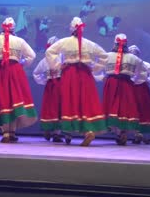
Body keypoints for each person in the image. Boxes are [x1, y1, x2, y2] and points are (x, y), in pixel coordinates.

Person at [45, 17, 108, 146]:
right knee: (86, 102)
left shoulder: (64, 42)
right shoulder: (90, 44)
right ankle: (88, 130)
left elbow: (49, 51)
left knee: (71, 101)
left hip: (69, 74)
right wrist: (94, 68)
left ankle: (75, 131)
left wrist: (57, 65)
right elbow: (104, 56)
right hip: (85, 74)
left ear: (71, 28)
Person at [0, 17, 37, 143]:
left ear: (2, 27)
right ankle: (12, 132)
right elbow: (32, 55)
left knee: (3, 99)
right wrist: (22, 64)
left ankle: (5, 133)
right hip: (15, 70)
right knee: (14, 100)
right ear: (14, 28)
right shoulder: (19, 41)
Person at [101, 34, 144, 146]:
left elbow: (98, 69)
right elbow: (139, 69)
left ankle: (119, 133)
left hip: (113, 83)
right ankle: (121, 132)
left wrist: (102, 77)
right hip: (125, 83)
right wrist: (134, 79)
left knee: (115, 107)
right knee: (124, 108)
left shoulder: (106, 55)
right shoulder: (134, 58)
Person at [33, 36, 63, 142]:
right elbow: (36, 73)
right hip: (53, 86)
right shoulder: (46, 60)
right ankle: (51, 131)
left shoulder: (61, 58)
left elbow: (36, 73)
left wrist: (44, 81)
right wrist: (45, 80)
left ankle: (56, 132)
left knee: (57, 108)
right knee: (52, 108)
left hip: (59, 85)